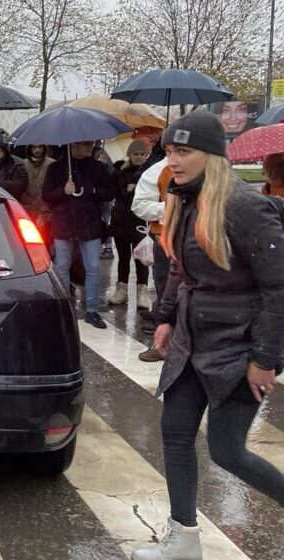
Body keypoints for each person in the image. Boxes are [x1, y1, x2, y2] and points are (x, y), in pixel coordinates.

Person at [132, 110, 284, 560]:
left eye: (184, 151)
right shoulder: (182, 198)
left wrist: (266, 358)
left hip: (239, 346)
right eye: (170, 151)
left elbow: (279, 286)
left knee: (227, 452)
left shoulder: (244, 206)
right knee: (175, 433)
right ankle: (183, 541)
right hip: (191, 341)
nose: (173, 160)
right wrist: (164, 318)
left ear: (213, 155)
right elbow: (180, 269)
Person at [42, 141, 116, 330]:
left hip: (89, 223)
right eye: (85, 145)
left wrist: (93, 190)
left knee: (92, 267)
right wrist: (62, 191)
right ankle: (65, 308)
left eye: (91, 144)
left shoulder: (97, 168)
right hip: (63, 223)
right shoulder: (56, 168)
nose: (90, 147)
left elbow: (109, 193)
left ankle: (92, 310)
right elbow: (47, 196)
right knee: (62, 266)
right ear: (72, 146)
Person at [133, 157, 172, 359]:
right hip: (165, 241)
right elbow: (139, 205)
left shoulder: (212, 167)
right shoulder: (158, 170)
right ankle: (162, 344)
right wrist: (167, 209)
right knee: (166, 293)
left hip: (200, 241)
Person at [107, 141, 151, 308]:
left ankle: (142, 292)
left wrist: (137, 185)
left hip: (140, 221)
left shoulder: (149, 173)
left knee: (142, 258)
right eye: (135, 153)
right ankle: (122, 290)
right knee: (123, 258)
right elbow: (115, 193)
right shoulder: (119, 170)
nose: (139, 157)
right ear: (130, 154)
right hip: (121, 220)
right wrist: (127, 188)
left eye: (142, 154)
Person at [21, 145, 55, 226]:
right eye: (34, 148)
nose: (37, 150)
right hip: (26, 210)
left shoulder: (52, 164)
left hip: (46, 212)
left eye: (40, 147)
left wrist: (45, 211)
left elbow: (54, 190)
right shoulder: (23, 164)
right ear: (29, 149)